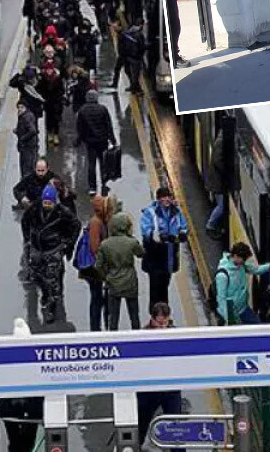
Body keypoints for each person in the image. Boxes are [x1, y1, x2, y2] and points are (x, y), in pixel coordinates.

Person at [21, 183, 81, 324]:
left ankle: (51, 306)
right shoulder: (34, 208)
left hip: (53, 249)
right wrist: (28, 239)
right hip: (36, 248)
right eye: (45, 202)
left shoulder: (62, 212)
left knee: (52, 279)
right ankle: (46, 294)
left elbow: (76, 225)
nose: (47, 205)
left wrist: (68, 243)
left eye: (50, 202)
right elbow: (25, 221)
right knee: (36, 276)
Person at [136, 303, 184, 451]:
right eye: (159, 323)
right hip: (149, 390)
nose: (162, 327)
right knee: (141, 425)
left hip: (170, 389)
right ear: (152, 319)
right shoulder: (142, 336)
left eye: (165, 323)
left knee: (176, 428)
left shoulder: (176, 334)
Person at [139, 187, 189, 313]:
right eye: (163, 197)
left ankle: (164, 313)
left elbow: (183, 226)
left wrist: (182, 233)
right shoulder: (150, 213)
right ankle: (155, 313)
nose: (166, 200)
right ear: (158, 199)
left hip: (169, 254)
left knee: (165, 284)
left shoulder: (176, 212)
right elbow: (146, 231)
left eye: (168, 197)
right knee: (155, 285)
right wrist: (160, 236)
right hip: (155, 255)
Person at [94, 211, 143, 330]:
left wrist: (106, 277)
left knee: (114, 317)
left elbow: (98, 266)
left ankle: (113, 338)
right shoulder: (131, 242)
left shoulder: (105, 244)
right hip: (130, 282)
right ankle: (137, 338)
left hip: (113, 282)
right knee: (134, 315)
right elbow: (141, 253)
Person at [78, 193, 118, 331]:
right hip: (94, 268)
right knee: (97, 297)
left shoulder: (102, 220)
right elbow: (95, 247)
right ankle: (96, 328)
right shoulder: (96, 222)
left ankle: (102, 324)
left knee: (101, 296)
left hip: (97, 266)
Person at [214, 242, 270, 324]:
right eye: (243, 259)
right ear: (235, 256)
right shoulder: (222, 275)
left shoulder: (241, 265)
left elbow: (256, 270)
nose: (244, 261)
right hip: (230, 315)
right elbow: (221, 299)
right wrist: (229, 320)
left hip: (243, 309)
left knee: (258, 329)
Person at [74, 89, 117, 195]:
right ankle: (104, 184)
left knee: (91, 164)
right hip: (102, 141)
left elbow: (80, 128)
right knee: (103, 163)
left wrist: (79, 140)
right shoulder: (103, 109)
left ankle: (92, 187)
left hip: (90, 142)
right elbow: (108, 125)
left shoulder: (82, 110)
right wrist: (112, 139)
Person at [203, 116, 237, 238]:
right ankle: (210, 226)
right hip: (218, 181)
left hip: (220, 181)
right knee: (222, 206)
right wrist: (228, 171)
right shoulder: (222, 141)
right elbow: (218, 160)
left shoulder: (224, 137)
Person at [36, 65, 65, 147]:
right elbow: (39, 89)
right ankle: (49, 133)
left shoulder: (58, 79)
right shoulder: (42, 79)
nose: (49, 71)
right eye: (48, 70)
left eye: (50, 69)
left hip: (56, 102)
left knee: (56, 119)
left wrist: (59, 97)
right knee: (49, 119)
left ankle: (56, 134)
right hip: (47, 102)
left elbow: (62, 90)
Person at [114, 21, 145, 93]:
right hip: (132, 56)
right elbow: (142, 47)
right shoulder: (135, 34)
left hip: (130, 56)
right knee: (132, 73)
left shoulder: (127, 34)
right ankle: (135, 88)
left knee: (133, 73)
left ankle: (136, 88)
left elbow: (140, 47)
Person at [13, 101, 39, 179]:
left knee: (26, 168)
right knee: (28, 167)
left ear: (26, 108)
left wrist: (22, 138)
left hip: (27, 147)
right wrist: (18, 131)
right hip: (28, 147)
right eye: (18, 107)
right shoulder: (26, 116)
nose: (20, 109)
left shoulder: (26, 117)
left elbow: (32, 130)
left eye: (22, 107)